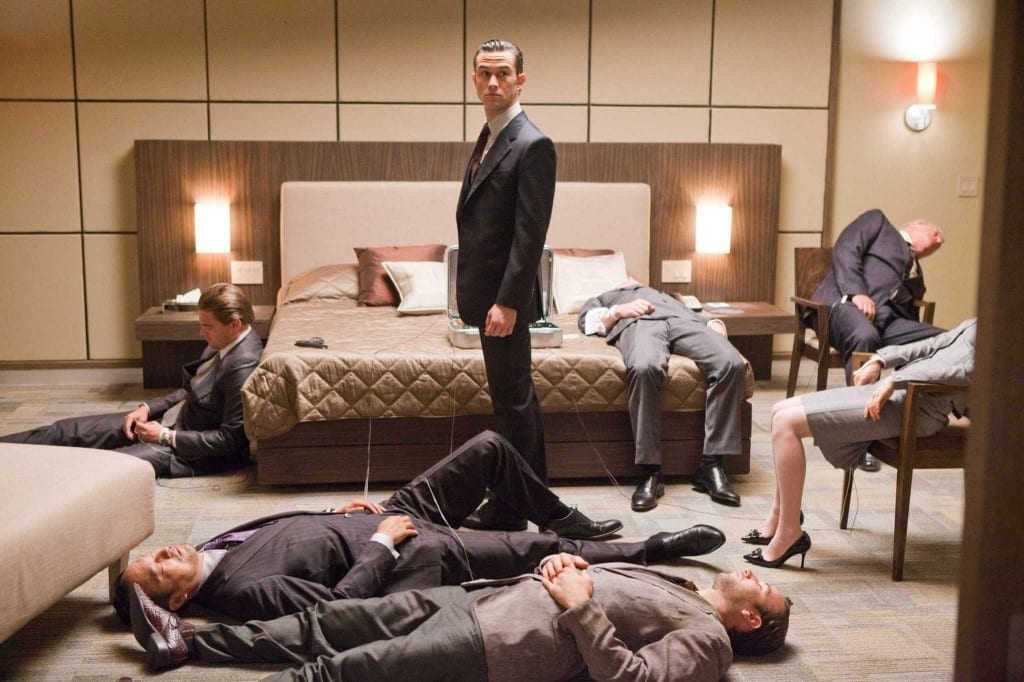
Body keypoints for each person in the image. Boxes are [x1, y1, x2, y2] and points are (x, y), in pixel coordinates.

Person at [116, 430, 726, 623]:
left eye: (154, 552)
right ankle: (650, 549)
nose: (166, 552)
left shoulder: (213, 549)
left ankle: (563, 514)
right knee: (536, 550)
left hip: (389, 513)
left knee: (488, 448)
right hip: (411, 551)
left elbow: (292, 537)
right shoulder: (241, 593)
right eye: (160, 568)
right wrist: (382, 545)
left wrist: (333, 518)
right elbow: (336, 610)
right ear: (178, 599)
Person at [128, 558, 792, 679]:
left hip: (500, 644)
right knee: (328, 623)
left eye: (763, 589)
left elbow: (632, 680)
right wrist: (565, 565)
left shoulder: (710, 643)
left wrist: (580, 604)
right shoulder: (681, 585)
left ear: (748, 621)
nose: (753, 573)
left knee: (341, 671)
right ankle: (185, 643)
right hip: (479, 598)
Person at [743, 319, 975, 568]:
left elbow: (966, 372)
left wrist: (895, 380)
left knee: (787, 424)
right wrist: (880, 360)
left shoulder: (1003, 334)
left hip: (917, 408)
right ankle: (781, 516)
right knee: (779, 410)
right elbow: (936, 343)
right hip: (900, 392)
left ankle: (790, 533)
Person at [0, 283, 261, 477]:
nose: (201, 332)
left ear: (235, 324)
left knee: (96, 467)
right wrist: (148, 408)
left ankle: (16, 475)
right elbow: (190, 389)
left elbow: (230, 441)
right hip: (168, 422)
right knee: (67, 431)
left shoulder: (241, 366)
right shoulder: (224, 341)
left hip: (186, 451)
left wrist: (166, 436)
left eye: (207, 326)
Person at [456, 38, 557, 532]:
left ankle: (517, 507)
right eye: (484, 73)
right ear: (474, 78)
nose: (492, 82)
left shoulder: (532, 143)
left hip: (504, 301)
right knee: (514, 401)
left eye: (502, 73)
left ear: (521, 80)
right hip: (485, 296)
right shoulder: (491, 133)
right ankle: (527, 502)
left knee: (514, 402)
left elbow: (529, 234)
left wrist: (509, 302)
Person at [579, 285, 747, 510]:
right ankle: (651, 471)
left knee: (732, 363)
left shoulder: (671, 297)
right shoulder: (609, 295)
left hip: (684, 323)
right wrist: (618, 311)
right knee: (644, 367)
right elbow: (587, 321)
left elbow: (699, 315)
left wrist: (713, 323)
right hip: (641, 322)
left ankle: (712, 465)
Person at [811, 209, 945, 472]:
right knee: (866, 336)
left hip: (887, 319)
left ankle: (913, 420)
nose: (939, 240)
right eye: (935, 233)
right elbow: (846, 249)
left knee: (942, 339)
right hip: (845, 306)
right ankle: (857, 438)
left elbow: (909, 310)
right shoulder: (878, 222)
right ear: (915, 225)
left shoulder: (915, 270)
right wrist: (857, 293)